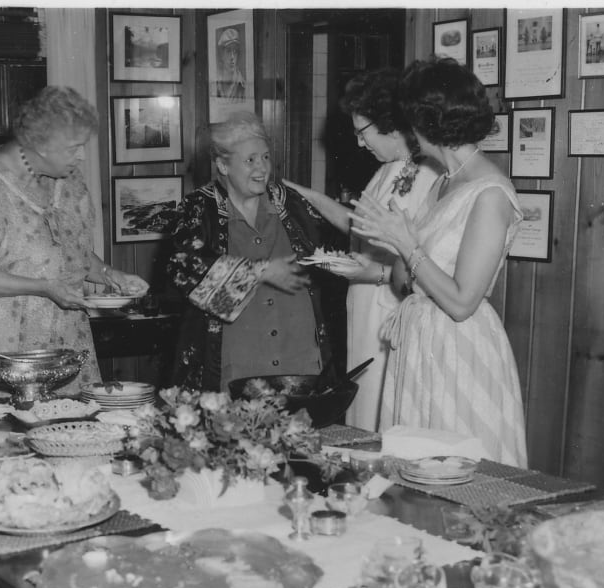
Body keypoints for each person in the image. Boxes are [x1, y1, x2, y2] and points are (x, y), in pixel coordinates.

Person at [350, 58, 528, 466]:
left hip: (460, 351)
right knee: (416, 468)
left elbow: (463, 302)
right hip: (421, 342)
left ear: (430, 124)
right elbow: (407, 282)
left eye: (411, 119)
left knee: (459, 470)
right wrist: (396, 244)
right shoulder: (444, 182)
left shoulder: (490, 193)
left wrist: (408, 248)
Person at [0, 85, 146, 403]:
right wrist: (43, 287)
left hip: (66, 340)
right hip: (7, 349)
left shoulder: (68, 178)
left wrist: (111, 275)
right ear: (38, 145)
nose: (81, 156)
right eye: (73, 148)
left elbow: (69, 252)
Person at [284, 68, 438, 431]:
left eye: (361, 132)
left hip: (393, 307)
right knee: (364, 402)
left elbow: (427, 257)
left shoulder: (428, 175)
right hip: (366, 304)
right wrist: (302, 193)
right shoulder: (386, 171)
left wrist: (376, 273)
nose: (358, 143)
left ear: (390, 123)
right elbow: (360, 226)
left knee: (385, 408)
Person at [168, 112, 336, 392]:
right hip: (235, 367)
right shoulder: (198, 210)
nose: (262, 168)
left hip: (299, 363)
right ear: (223, 165)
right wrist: (261, 271)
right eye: (250, 160)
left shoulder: (290, 205)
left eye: (266, 157)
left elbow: (335, 250)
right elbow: (185, 270)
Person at [215, 27, 246, 101]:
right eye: (228, 51)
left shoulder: (243, 85)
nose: (232, 57)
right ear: (222, 55)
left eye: (235, 51)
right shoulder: (216, 83)